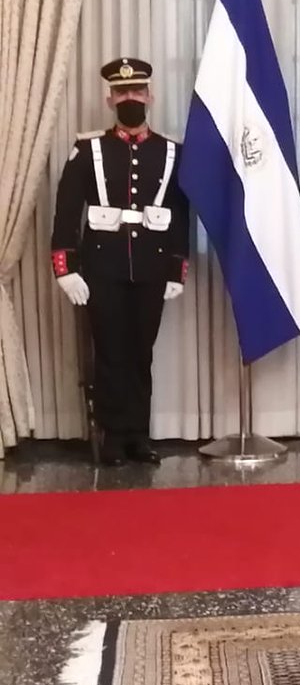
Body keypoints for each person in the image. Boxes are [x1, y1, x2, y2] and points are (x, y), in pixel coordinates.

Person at [50, 57, 190, 466]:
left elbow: (180, 214)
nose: (131, 98)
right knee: (110, 352)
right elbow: (66, 211)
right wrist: (66, 268)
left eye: (137, 91)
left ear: (150, 95)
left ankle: (138, 436)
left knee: (141, 353)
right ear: (109, 99)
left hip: (151, 267)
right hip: (102, 268)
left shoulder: (171, 152)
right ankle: (112, 436)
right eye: (122, 92)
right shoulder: (88, 149)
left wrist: (176, 268)